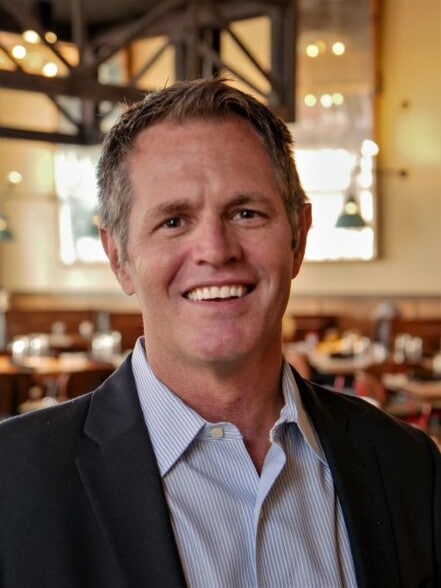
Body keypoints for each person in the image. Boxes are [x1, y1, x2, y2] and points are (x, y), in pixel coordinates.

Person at [0, 78, 439, 588]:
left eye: (246, 213)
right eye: (173, 221)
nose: (215, 249)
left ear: (298, 239)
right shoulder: (12, 483)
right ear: (118, 257)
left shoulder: (410, 466)